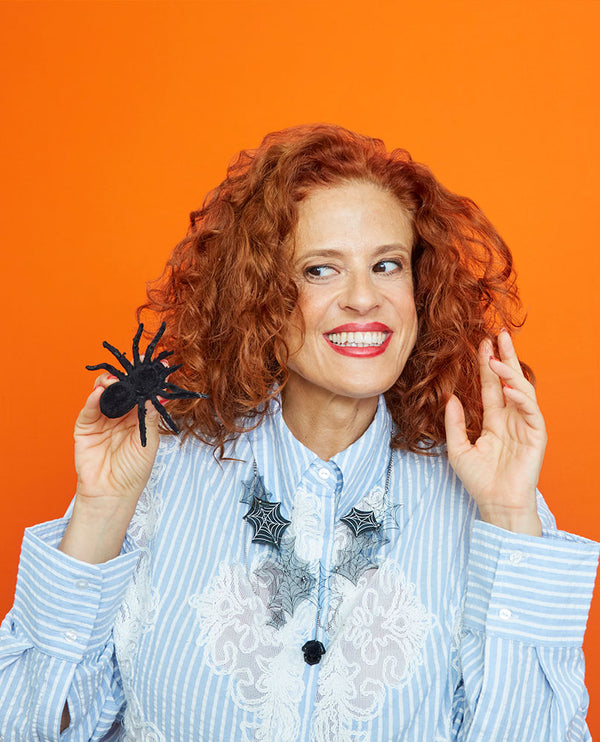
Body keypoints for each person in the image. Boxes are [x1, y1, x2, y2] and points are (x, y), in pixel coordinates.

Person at [0, 123, 598, 741]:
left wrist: (509, 518)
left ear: (420, 288)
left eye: (387, 265)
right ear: (257, 296)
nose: (363, 298)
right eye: (319, 270)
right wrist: (100, 513)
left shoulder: (494, 498)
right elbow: (29, 727)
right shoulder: (154, 471)